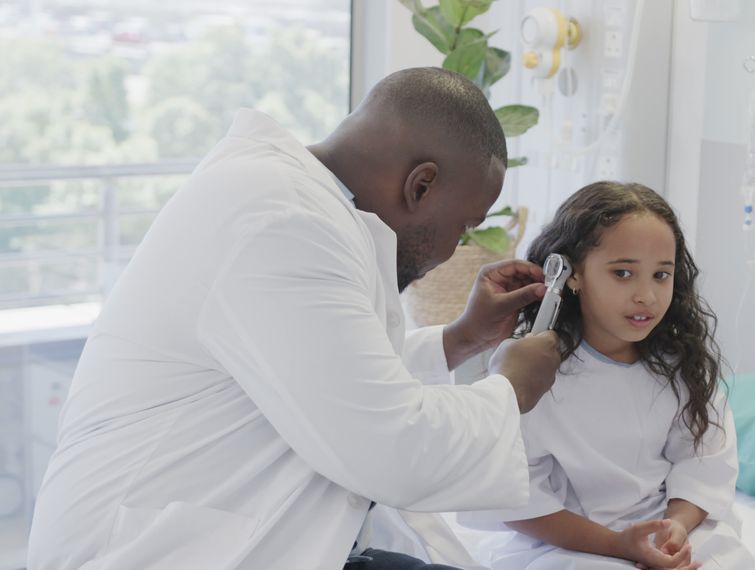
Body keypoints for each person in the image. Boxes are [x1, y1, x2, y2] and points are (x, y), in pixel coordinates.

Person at [27, 68, 561, 570]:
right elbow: (389, 447)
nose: (454, 249)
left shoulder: (295, 203)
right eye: (464, 226)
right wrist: (512, 386)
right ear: (420, 186)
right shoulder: (283, 221)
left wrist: (459, 340)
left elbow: (329, 378)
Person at [460, 182, 755, 569]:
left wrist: (673, 531)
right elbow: (516, 499)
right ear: (572, 275)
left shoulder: (684, 366)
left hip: (672, 529)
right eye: (623, 273)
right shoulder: (533, 370)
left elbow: (704, 465)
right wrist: (620, 546)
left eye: (661, 275)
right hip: (572, 543)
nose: (647, 296)